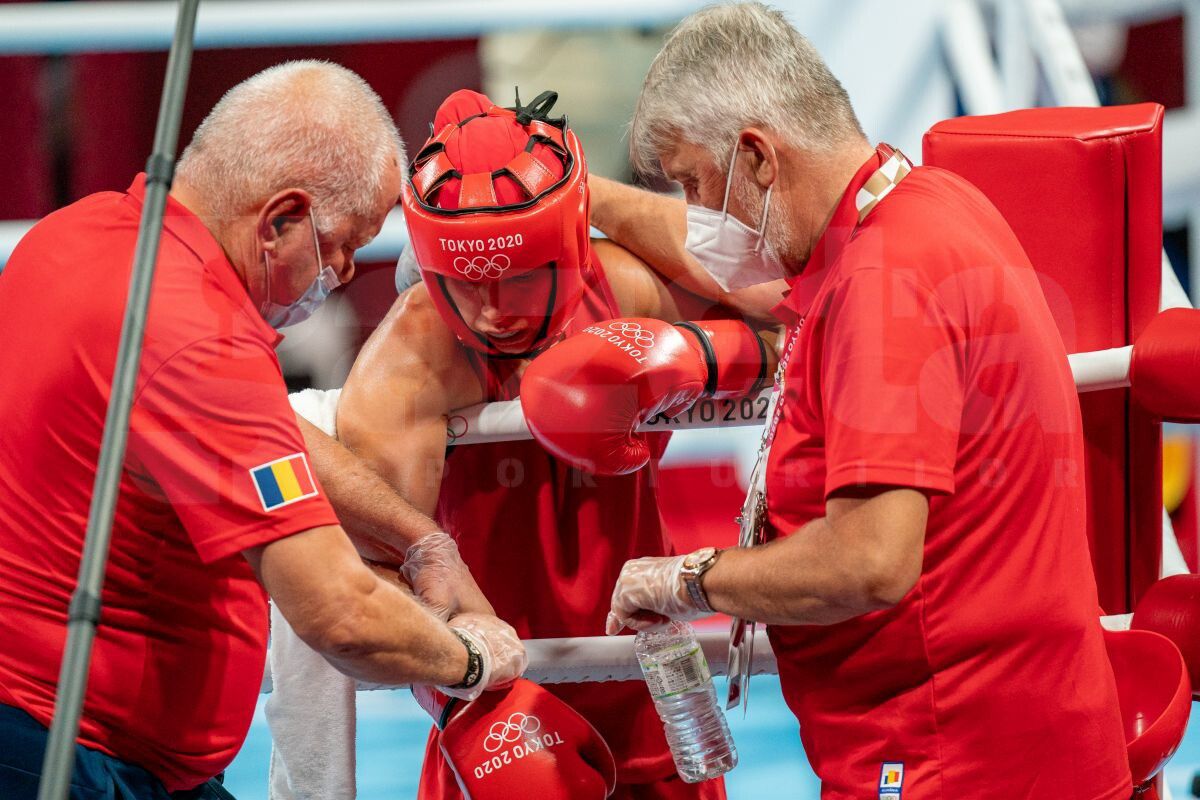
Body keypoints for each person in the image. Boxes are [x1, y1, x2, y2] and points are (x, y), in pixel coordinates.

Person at [520, 5, 1134, 800]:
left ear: (757, 158)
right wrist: (579, 193)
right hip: (1001, 742)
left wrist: (690, 580)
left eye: (695, 184)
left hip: (956, 760)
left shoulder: (885, 288)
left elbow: (870, 561)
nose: (699, 215)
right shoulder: (918, 211)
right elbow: (764, 281)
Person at [0, 61, 525, 800]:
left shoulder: (77, 236)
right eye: (343, 244)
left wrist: (417, 538)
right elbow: (341, 616)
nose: (344, 271)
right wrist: (472, 656)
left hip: (70, 729)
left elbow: (263, 430)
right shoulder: (197, 338)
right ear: (281, 219)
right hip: (70, 755)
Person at [267, 87, 772, 800]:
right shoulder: (407, 369)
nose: (493, 308)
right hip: (500, 703)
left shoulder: (623, 291)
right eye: (465, 282)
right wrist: (471, 707)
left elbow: (782, 298)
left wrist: (697, 355)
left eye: (520, 275)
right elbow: (377, 579)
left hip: (651, 687)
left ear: (569, 243)